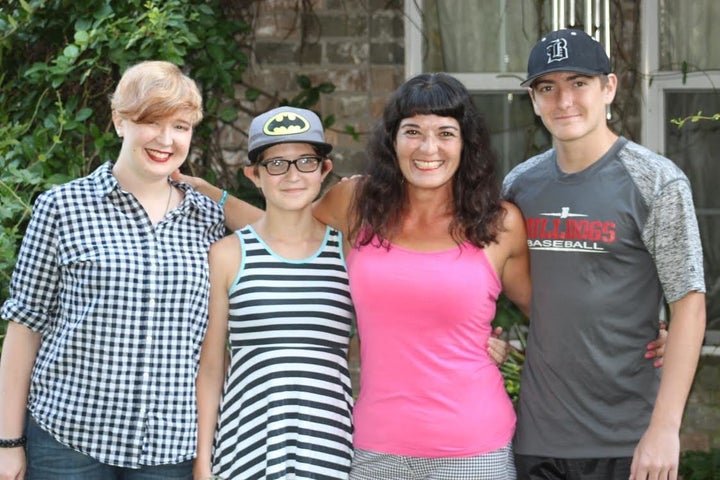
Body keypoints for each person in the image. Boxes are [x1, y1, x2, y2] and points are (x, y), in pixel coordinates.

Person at [182, 73, 531, 479]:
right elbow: (283, 227)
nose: (428, 147)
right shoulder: (358, 203)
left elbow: (548, 318)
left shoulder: (500, 222)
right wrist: (211, 194)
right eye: (412, 131)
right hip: (374, 448)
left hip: (475, 448)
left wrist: (493, 343)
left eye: (446, 133)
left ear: (466, 142)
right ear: (393, 141)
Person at [0, 60, 226, 480]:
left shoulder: (208, 221)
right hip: (66, 443)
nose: (165, 139)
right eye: (151, 122)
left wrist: (204, 457)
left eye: (180, 126)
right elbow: (24, 329)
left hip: (169, 449)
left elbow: (210, 348)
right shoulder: (62, 208)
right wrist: (8, 444)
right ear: (120, 121)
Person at [502, 29, 706, 480]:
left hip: (630, 439)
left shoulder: (656, 181)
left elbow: (689, 302)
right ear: (534, 101)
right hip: (539, 437)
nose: (563, 101)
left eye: (579, 83)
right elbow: (486, 275)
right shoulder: (519, 186)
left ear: (608, 88)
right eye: (547, 88)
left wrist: (665, 429)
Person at [193, 107, 355, 480]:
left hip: (330, 444)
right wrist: (204, 459)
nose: (293, 176)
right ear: (254, 175)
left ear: (324, 170)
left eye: (306, 162)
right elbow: (213, 365)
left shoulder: (346, 251)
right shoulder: (228, 254)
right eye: (277, 164)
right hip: (246, 445)